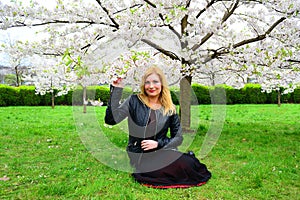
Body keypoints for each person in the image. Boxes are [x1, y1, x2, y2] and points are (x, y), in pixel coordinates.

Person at [105, 66, 211, 188]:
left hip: (162, 150)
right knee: (161, 170)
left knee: (188, 164)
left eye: (155, 82)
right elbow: (111, 120)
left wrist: (158, 144)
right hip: (140, 155)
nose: (151, 86)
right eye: (147, 82)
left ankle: (188, 158)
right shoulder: (134, 101)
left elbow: (178, 138)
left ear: (162, 84)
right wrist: (116, 91)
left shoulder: (169, 107)